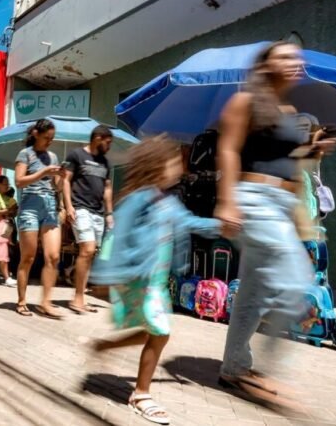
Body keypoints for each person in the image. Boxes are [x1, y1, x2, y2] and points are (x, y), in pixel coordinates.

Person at [214, 41, 336, 403]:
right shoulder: (245, 101)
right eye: (284, 56)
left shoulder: (287, 110)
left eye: (296, 57)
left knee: (251, 294)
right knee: (296, 280)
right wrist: (226, 201)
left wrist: (313, 151)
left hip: (282, 204)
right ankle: (267, 370)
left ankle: (234, 369)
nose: (294, 62)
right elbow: (228, 148)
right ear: (265, 65)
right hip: (255, 201)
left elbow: (291, 165)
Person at [88, 135, 220, 425]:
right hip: (137, 279)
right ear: (156, 167)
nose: (179, 168)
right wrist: (105, 273)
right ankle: (141, 394)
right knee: (160, 332)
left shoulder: (168, 203)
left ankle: (104, 346)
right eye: (174, 163)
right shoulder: (139, 199)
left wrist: (221, 225)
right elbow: (118, 234)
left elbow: (189, 223)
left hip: (157, 283)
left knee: (151, 332)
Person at [14, 119, 64, 319]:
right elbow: (19, 181)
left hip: (50, 206)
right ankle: (21, 301)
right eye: (46, 138)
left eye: (52, 139)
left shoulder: (52, 156)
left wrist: (61, 176)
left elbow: (58, 187)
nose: (49, 142)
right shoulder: (25, 154)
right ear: (35, 133)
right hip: (30, 207)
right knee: (28, 257)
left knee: (53, 257)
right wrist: (43, 171)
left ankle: (45, 302)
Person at [63, 125, 114, 314]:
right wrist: (68, 206)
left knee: (89, 254)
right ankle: (77, 298)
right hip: (80, 208)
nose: (109, 147)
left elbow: (108, 188)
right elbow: (66, 180)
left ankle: (80, 296)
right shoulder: (76, 155)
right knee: (87, 249)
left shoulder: (106, 163)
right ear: (98, 138)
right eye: (108, 143)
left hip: (98, 213)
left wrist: (109, 213)